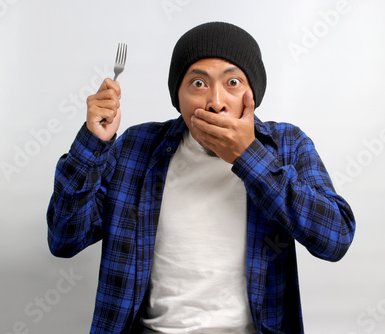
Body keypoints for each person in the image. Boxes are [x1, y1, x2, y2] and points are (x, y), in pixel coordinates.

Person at [47, 21, 356, 334]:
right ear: (177, 96)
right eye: (198, 84)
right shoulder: (136, 147)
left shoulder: (287, 144)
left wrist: (248, 157)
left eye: (232, 82)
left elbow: (336, 240)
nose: (216, 102)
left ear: (253, 93)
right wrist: (92, 144)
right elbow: (64, 238)